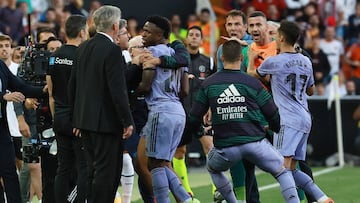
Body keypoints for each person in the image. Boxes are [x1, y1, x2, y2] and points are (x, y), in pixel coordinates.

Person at [186, 39, 299, 203]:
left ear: (221, 59)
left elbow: (194, 117)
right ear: (241, 59)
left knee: (213, 168)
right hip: (256, 144)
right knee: (282, 171)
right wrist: (274, 128)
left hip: (226, 148)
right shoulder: (252, 82)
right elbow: (272, 112)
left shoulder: (209, 83)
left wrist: (198, 132)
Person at [248, 20, 334, 203]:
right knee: (293, 169)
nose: (273, 37)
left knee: (281, 168)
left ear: (281, 37)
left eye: (275, 34)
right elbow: (310, 91)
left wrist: (250, 56)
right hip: (304, 118)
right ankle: (322, 198)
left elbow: (252, 74)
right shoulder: (305, 61)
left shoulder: (275, 61)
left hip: (287, 119)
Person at [68, 5, 134, 203]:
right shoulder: (112, 50)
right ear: (115, 26)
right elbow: (117, 89)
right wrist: (127, 120)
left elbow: (73, 87)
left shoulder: (83, 48)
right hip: (106, 124)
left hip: (84, 122)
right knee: (107, 174)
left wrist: (76, 119)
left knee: (91, 171)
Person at [135, 15, 193, 202]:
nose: (143, 34)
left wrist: (132, 92)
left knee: (155, 164)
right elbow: (185, 90)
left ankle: (167, 200)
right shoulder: (177, 56)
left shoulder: (151, 53)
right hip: (177, 111)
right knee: (163, 162)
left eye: (147, 31)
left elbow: (145, 86)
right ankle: (185, 199)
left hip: (160, 110)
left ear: (160, 35)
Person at [46, 14, 88, 203]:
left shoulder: (54, 58)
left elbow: (51, 94)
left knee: (62, 168)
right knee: (83, 167)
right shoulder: (82, 56)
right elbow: (84, 93)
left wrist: (56, 119)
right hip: (77, 120)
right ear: (82, 32)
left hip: (60, 118)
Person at [173, 25, 215, 197]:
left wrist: (212, 108)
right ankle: (186, 191)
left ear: (202, 40)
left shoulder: (209, 62)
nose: (194, 37)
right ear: (186, 39)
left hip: (202, 113)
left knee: (210, 147)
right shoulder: (178, 61)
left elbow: (213, 87)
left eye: (197, 35)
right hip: (181, 113)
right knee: (179, 152)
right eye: (191, 34)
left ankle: (216, 188)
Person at [0, 56, 46, 203]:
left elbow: (20, 87)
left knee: (10, 171)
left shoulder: (0, 65)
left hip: (1, 127)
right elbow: (6, 95)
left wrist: (44, 90)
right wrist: (3, 96)